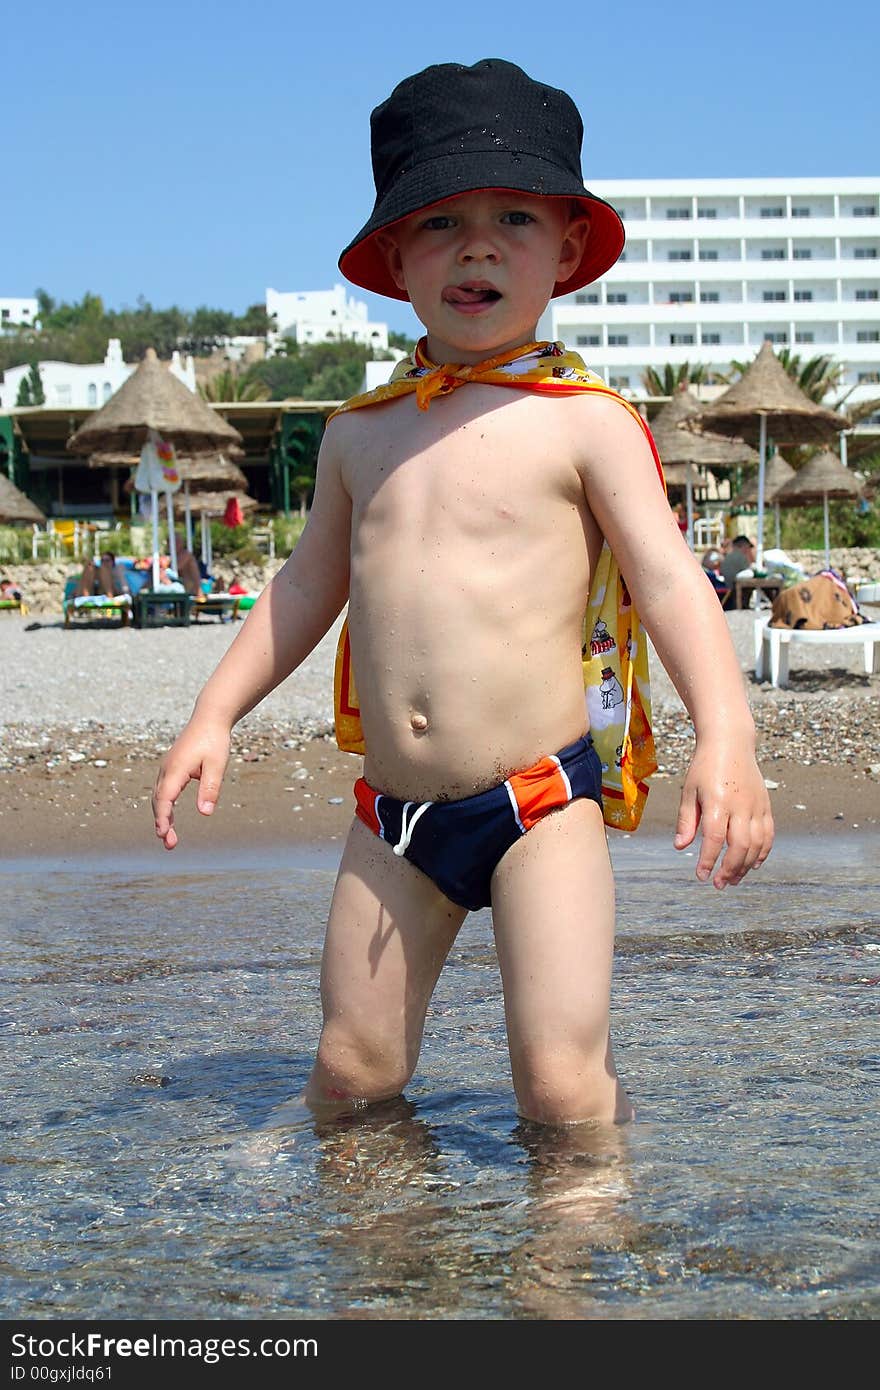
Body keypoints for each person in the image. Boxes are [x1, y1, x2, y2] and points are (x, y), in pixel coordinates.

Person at [153, 58, 773, 1129]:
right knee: (351, 1071)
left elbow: (669, 582)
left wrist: (728, 739)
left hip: (541, 802)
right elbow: (305, 585)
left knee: (561, 1086)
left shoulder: (582, 420)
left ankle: (574, 1269)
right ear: (394, 256)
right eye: (440, 222)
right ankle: (386, 1269)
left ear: (568, 249)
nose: (477, 243)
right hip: (396, 816)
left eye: (514, 217)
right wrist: (214, 714)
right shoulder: (360, 433)